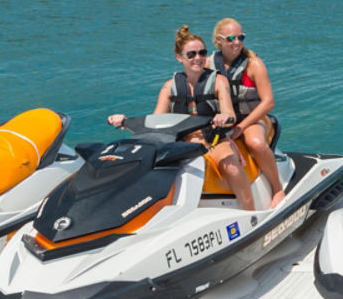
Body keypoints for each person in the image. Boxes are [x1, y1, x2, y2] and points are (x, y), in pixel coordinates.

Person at [107, 25, 254, 210]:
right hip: (182, 144)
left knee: (231, 167)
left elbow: (229, 113)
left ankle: (252, 212)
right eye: (191, 54)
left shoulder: (218, 81)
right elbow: (154, 122)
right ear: (179, 58)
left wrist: (223, 117)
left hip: (215, 140)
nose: (198, 58)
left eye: (202, 53)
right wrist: (125, 121)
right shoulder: (169, 87)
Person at [210, 18, 285, 208]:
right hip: (225, 121)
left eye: (240, 37)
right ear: (218, 40)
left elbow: (268, 102)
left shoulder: (254, 64)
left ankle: (277, 189)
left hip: (254, 119)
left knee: (255, 143)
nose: (237, 43)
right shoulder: (210, 64)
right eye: (231, 38)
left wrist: (241, 127)